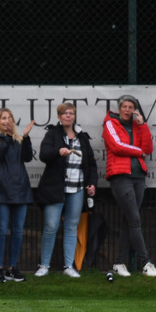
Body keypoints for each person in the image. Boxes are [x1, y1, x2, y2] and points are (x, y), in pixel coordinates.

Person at [34, 102, 98, 278]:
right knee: (51, 226)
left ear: (74, 116)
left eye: (71, 113)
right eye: (65, 113)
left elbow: (91, 164)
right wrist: (58, 151)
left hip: (77, 188)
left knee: (71, 226)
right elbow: (43, 155)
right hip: (55, 188)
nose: (68, 116)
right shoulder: (52, 134)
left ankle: (69, 266)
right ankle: (44, 265)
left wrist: (92, 183)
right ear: (59, 117)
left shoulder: (82, 137)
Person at [102, 95, 156, 277]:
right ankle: (146, 263)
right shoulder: (110, 123)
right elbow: (117, 147)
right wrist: (138, 152)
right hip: (120, 178)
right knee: (135, 220)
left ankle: (119, 263)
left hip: (138, 177)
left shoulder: (136, 126)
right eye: (125, 106)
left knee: (129, 221)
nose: (127, 110)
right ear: (120, 108)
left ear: (135, 110)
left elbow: (148, 149)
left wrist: (142, 125)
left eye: (131, 107)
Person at [0, 107, 34, 283]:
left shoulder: (18, 140)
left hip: (20, 190)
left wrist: (26, 137)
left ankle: (12, 268)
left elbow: (28, 157)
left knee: (18, 231)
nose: (7, 121)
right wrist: (6, 137)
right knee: (0, 230)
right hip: (1, 190)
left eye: (9, 118)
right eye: (3, 118)